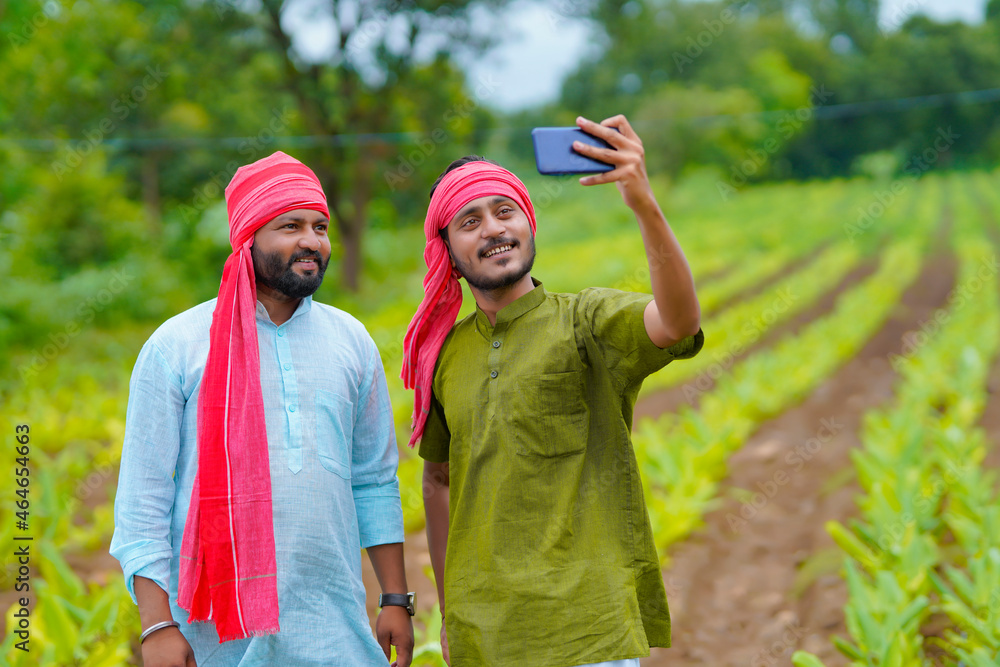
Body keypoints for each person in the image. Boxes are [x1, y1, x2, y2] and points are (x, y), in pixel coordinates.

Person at [401, 115, 704, 667]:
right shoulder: (445, 355)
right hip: (485, 636)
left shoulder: (585, 320)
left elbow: (678, 322)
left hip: (589, 629)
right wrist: (450, 613)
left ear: (528, 225)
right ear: (446, 249)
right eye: (469, 221)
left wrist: (643, 203)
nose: (492, 228)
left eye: (505, 211)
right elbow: (438, 480)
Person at [111, 151, 414, 667]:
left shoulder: (351, 341)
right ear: (247, 238)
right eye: (290, 225)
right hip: (211, 638)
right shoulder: (178, 346)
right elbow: (143, 502)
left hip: (333, 629)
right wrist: (158, 625)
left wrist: (394, 598)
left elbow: (374, 479)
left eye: (320, 226)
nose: (312, 241)